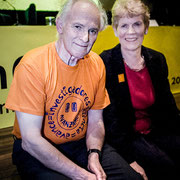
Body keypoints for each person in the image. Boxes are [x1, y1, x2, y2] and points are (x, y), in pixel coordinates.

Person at [5, 0, 144, 179]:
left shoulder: (96, 64)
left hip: (80, 144)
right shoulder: (32, 65)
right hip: (36, 150)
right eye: (78, 27)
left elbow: (96, 122)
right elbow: (31, 141)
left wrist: (94, 152)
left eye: (92, 31)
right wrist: (82, 175)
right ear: (60, 25)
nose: (85, 38)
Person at [100, 0, 180, 180]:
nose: (131, 32)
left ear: (145, 27)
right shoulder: (106, 62)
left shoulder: (157, 60)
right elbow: (110, 120)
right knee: (166, 166)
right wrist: (129, 160)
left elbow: (169, 110)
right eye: (124, 25)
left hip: (156, 131)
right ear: (115, 30)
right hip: (127, 137)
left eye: (137, 24)